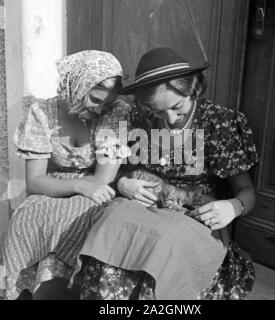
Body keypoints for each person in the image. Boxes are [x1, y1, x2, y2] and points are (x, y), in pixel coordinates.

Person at [74, 47, 259, 300]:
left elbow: (246, 192)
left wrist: (233, 207)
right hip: (142, 204)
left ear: (192, 89)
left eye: (177, 107)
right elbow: (122, 168)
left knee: (163, 247)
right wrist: (124, 183)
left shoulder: (218, 121)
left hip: (192, 214)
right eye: (158, 110)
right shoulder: (140, 116)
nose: (170, 119)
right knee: (110, 227)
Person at [0, 50, 131, 300]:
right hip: (58, 187)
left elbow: (102, 179)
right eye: (94, 99)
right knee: (22, 220)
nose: (99, 109)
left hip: (97, 190)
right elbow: (35, 181)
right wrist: (80, 184)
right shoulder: (41, 113)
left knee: (75, 220)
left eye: (106, 102)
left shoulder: (115, 113)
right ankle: (19, 293)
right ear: (77, 86)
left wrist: (86, 186)